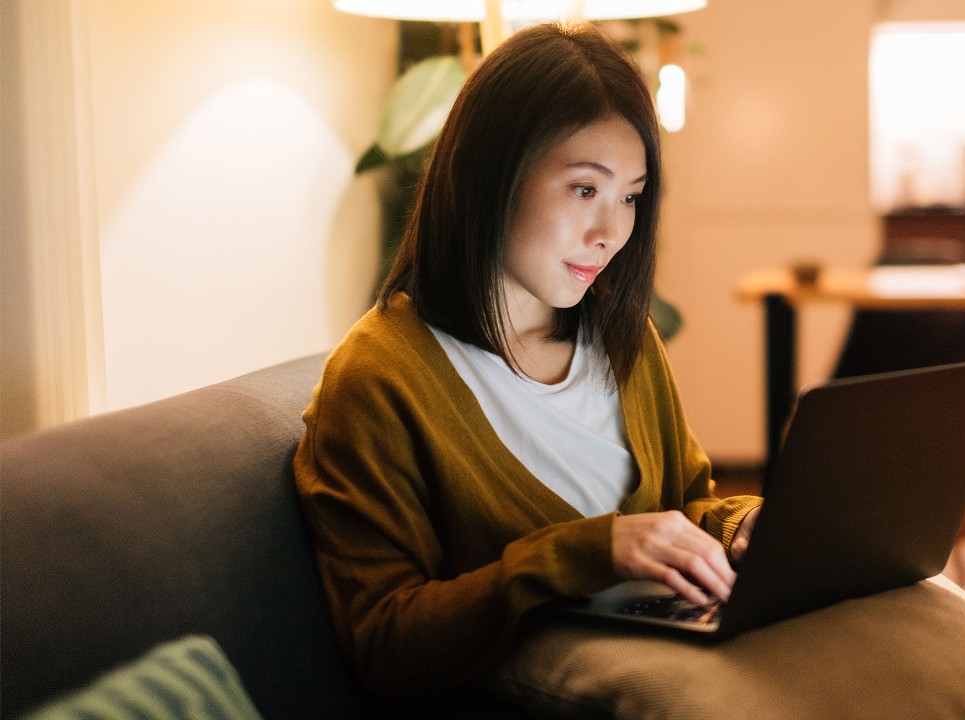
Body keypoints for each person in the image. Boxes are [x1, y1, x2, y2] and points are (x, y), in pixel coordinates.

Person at [293, 21, 762, 707]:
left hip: (680, 672)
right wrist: (586, 552)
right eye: (584, 190)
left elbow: (686, 504)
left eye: (630, 197)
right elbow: (384, 641)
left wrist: (739, 527)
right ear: (490, 176)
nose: (611, 233)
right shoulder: (379, 379)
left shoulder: (623, 338)